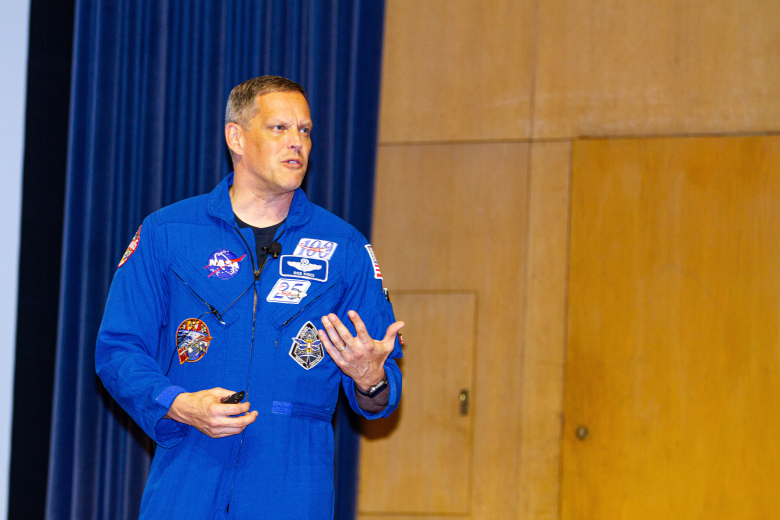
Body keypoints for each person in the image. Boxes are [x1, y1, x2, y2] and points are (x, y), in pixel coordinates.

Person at [96, 75, 403, 520]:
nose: (297, 142)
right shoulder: (169, 233)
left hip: (293, 487)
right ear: (235, 137)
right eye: (279, 128)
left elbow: (381, 389)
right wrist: (176, 403)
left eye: (305, 130)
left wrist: (369, 377)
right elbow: (119, 350)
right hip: (189, 479)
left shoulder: (344, 248)